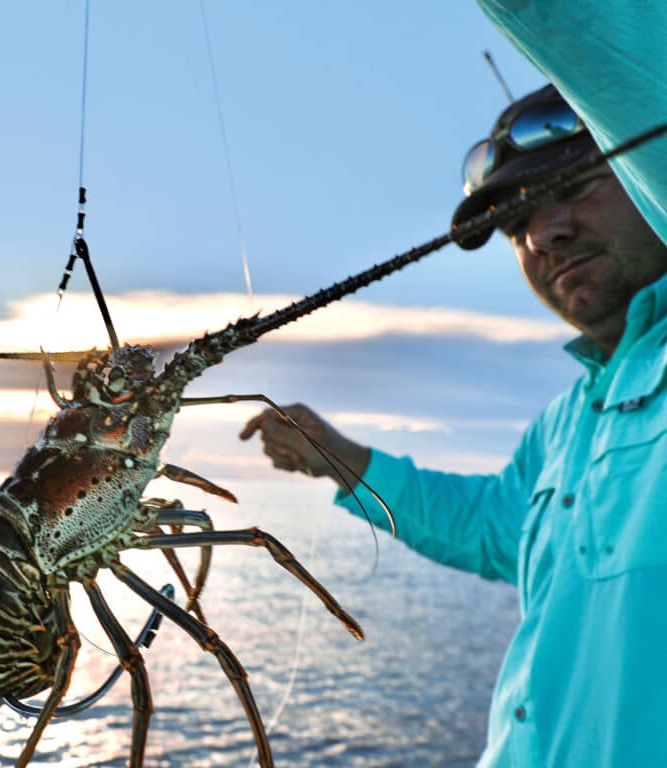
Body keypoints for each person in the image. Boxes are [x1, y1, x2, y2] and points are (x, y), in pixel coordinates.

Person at [239, 64, 667, 768]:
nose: (544, 235)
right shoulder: (562, 425)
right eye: (516, 221)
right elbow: (489, 527)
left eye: (577, 186)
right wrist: (342, 460)